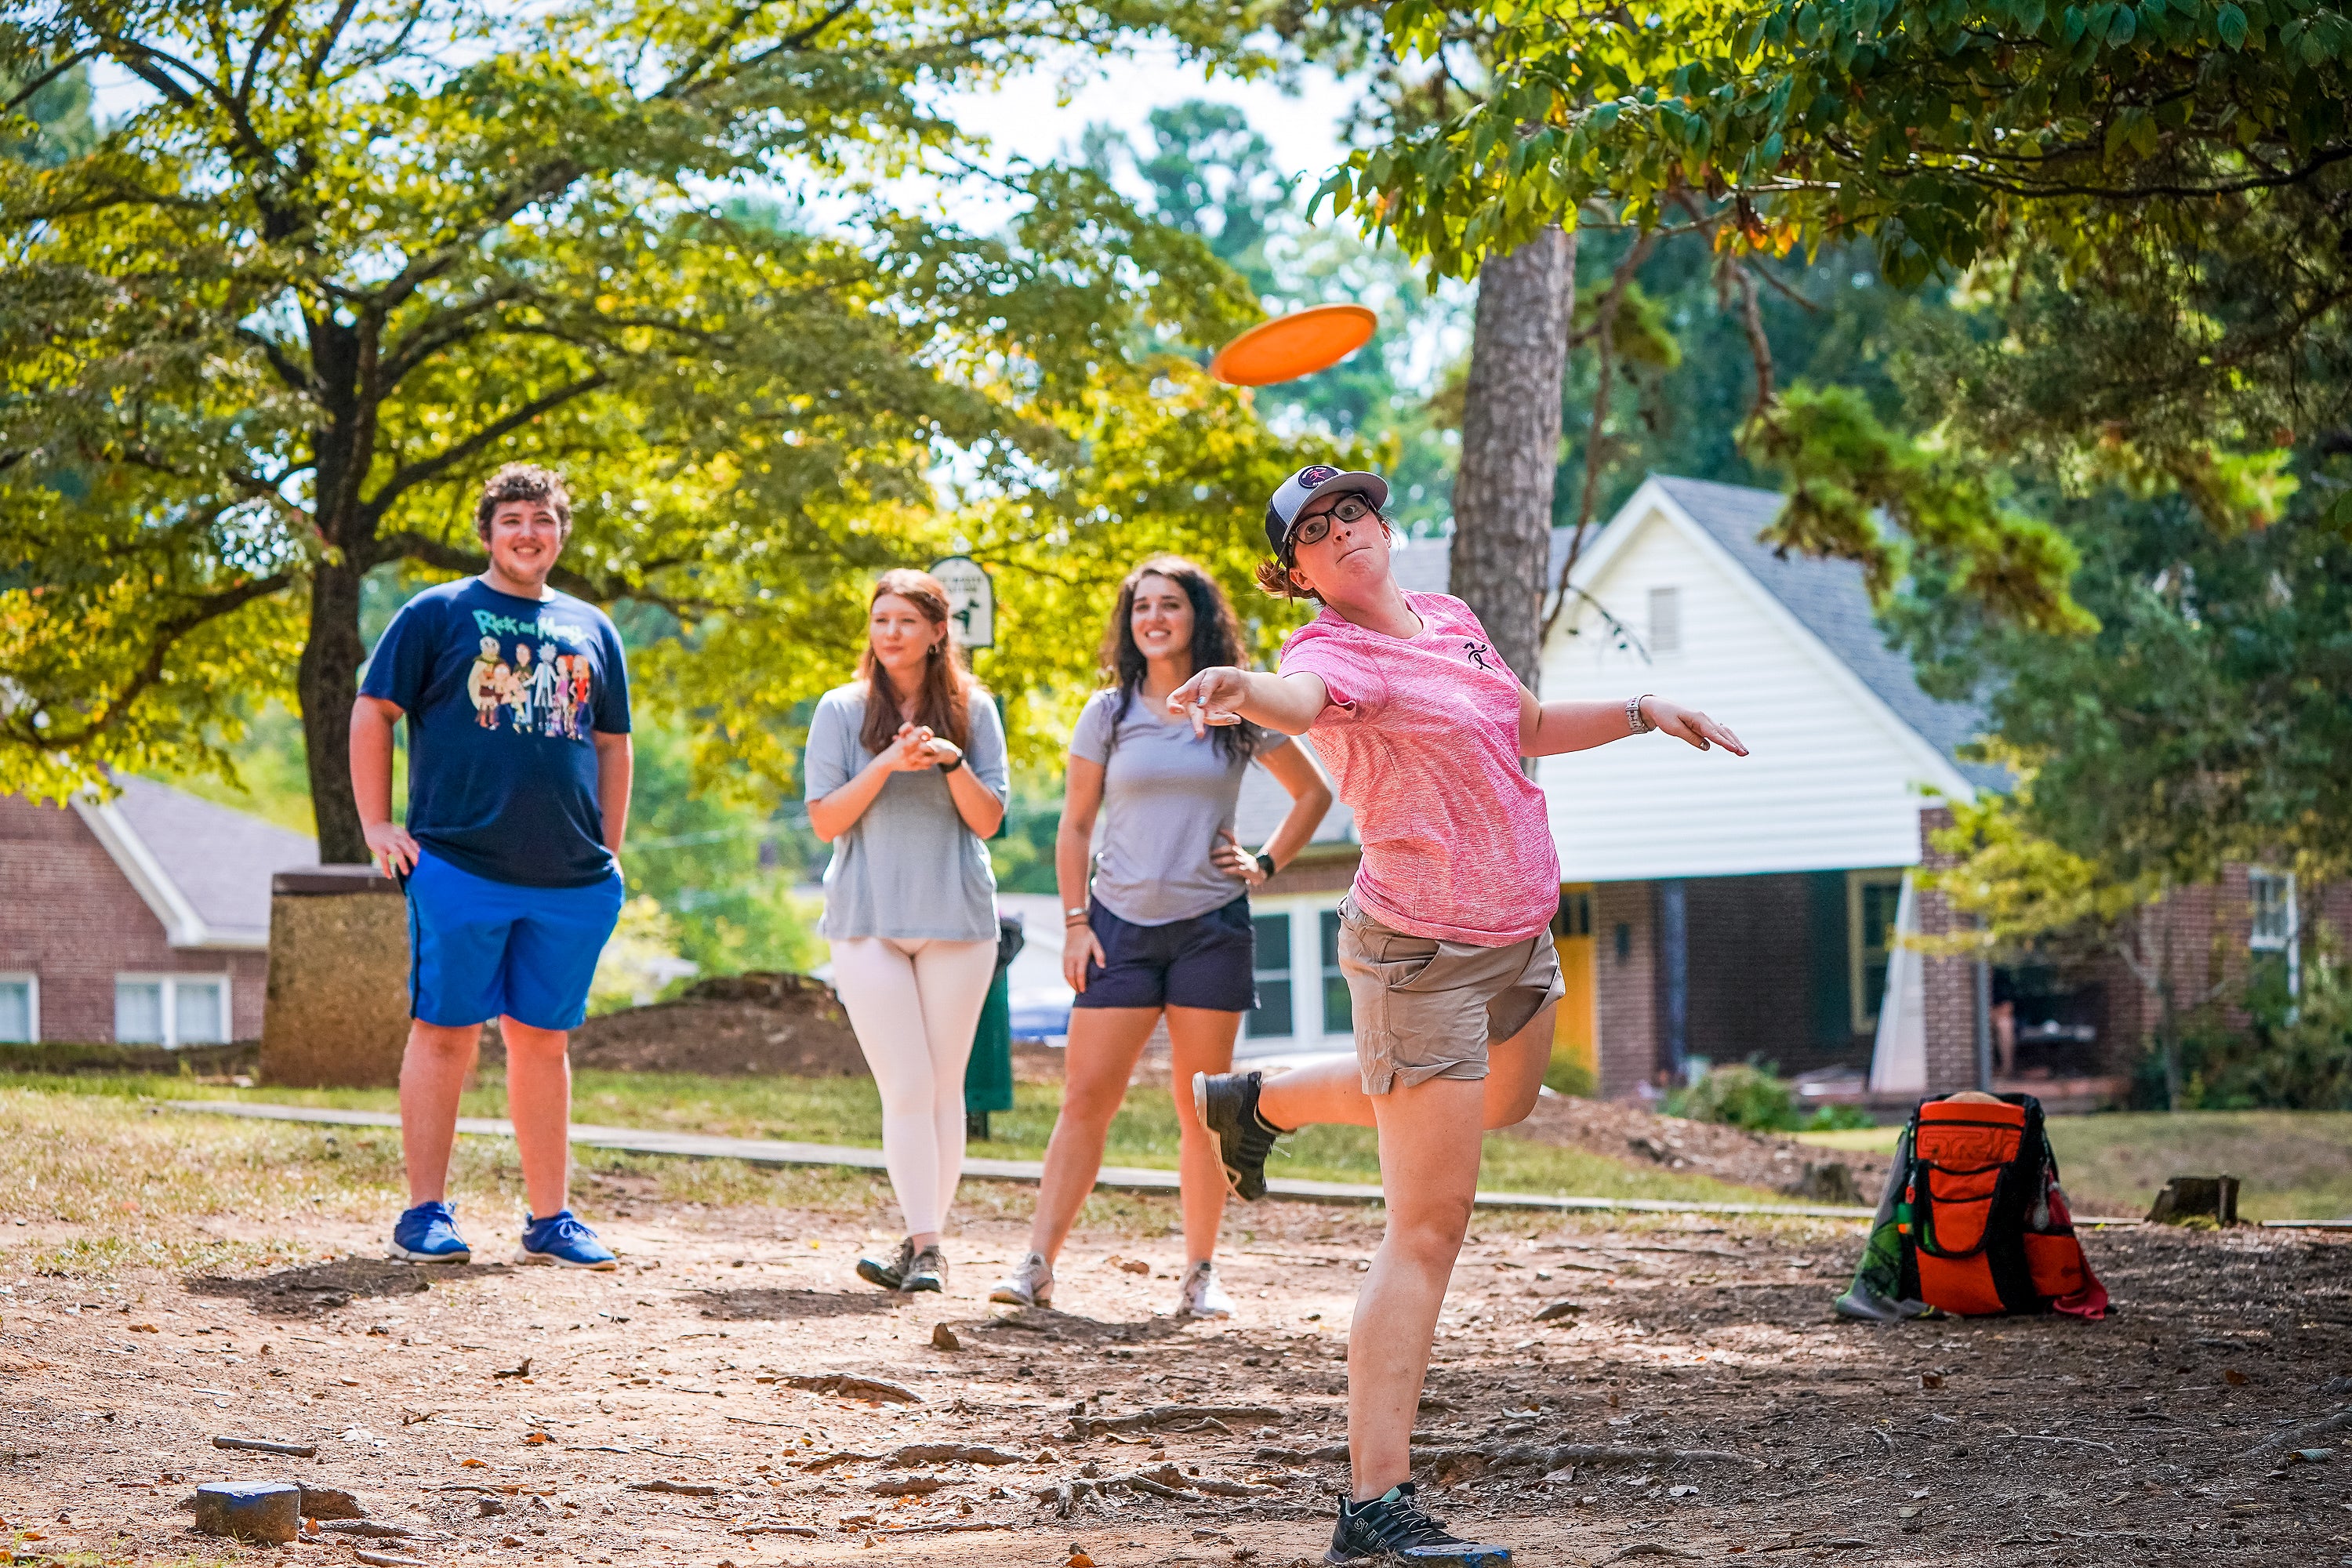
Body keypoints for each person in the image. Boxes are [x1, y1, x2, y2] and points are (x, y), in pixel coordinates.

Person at [1171, 465, 1748, 1565]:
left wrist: (1639, 710)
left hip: (1519, 932)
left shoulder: (1450, 619)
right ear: (1294, 571)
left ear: (1383, 528)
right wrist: (1238, 687)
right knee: (1426, 1230)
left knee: (1502, 1106)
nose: (1342, 531)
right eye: (1313, 530)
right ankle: (1373, 1510)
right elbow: (1298, 702)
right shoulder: (1324, 656)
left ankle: (1260, 1104)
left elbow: (1521, 723)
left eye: (1354, 512)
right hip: (1423, 954)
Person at [992, 557, 1333, 1318]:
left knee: (1203, 1106)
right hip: (1117, 930)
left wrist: (1265, 861)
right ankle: (1037, 1263)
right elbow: (1075, 824)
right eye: (1141, 606)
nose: (1154, 618)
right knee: (1085, 1097)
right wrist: (1075, 922)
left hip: (1211, 928)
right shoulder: (1107, 713)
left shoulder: (1235, 706)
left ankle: (1201, 1272)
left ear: (1197, 616)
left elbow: (1315, 792)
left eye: (1170, 604)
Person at [352, 463, 633, 1271]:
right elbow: (374, 710)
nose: (527, 533)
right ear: (487, 532)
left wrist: (609, 847)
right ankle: (424, 1214)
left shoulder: (592, 627)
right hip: (459, 862)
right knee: (445, 1032)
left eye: (542, 520)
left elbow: (613, 743)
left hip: (572, 878)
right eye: (511, 520)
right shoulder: (437, 612)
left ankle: (550, 1218)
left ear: (560, 533)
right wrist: (377, 822)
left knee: (544, 1040)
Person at [806, 568, 1010, 1294]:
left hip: (956, 918)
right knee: (908, 1082)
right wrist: (891, 761)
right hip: (867, 920)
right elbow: (827, 818)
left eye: (904, 620)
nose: (890, 632)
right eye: (879, 619)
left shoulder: (975, 709)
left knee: (945, 1087)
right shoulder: (840, 710)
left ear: (935, 632)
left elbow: (988, 819)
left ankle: (925, 1241)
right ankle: (927, 1244)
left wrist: (951, 761)